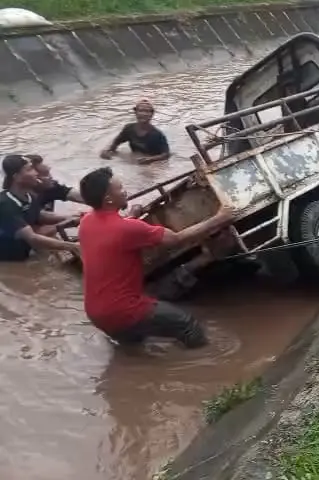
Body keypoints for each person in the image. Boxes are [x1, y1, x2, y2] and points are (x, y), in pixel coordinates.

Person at [77, 167, 233, 349]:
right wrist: (220, 218)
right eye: (120, 189)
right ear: (108, 199)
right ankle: (208, 366)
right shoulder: (127, 229)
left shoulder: (86, 222)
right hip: (124, 309)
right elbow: (176, 239)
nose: (125, 191)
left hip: (96, 312)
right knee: (188, 326)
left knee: (135, 346)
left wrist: (131, 216)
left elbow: (112, 231)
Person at [0, 154, 79, 261]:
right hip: (7, 262)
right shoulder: (5, 203)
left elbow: (38, 215)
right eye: (29, 169)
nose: (36, 173)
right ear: (16, 177)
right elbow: (32, 238)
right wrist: (73, 246)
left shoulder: (29, 196)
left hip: (24, 255)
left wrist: (68, 218)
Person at [99, 99, 171, 164]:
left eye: (147, 111)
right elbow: (115, 143)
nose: (143, 114)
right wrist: (107, 151)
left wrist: (150, 159)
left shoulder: (157, 134)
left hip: (152, 161)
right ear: (135, 112)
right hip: (136, 158)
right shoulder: (129, 128)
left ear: (151, 114)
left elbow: (166, 154)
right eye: (141, 111)